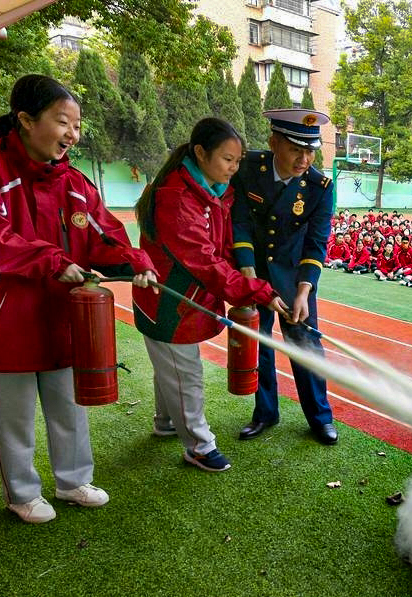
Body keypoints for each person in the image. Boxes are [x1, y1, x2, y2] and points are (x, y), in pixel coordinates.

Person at [0, 74, 157, 523]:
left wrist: (135, 261)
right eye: (63, 123)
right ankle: (21, 494)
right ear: (24, 120)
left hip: (60, 319)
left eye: (76, 126)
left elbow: (103, 236)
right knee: (12, 419)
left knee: (69, 405)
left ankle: (74, 480)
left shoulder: (75, 183)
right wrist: (52, 259)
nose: (72, 135)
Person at [132, 118, 288, 472]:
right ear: (200, 153)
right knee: (184, 373)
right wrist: (258, 289)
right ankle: (199, 446)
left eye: (237, 161)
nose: (234, 169)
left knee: (169, 367)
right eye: (227, 160)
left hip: (184, 298)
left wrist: (248, 277)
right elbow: (205, 263)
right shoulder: (177, 198)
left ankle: (165, 422)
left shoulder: (213, 191)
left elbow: (223, 249)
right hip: (169, 302)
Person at [230, 108, 338, 445]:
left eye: (310, 151)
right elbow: (241, 222)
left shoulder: (320, 187)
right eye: (296, 149)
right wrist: (249, 276)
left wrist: (304, 291)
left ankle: (320, 418)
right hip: (254, 271)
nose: (304, 159)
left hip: (295, 279)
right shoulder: (249, 169)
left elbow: (316, 243)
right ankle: (265, 413)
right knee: (259, 343)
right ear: (274, 142)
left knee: (306, 345)